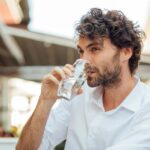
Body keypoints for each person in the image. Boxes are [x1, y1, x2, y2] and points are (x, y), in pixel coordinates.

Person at [16, 8, 150, 150]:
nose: (83, 60)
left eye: (95, 49)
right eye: (81, 51)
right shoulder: (78, 94)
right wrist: (45, 101)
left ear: (126, 52)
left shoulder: (146, 106)